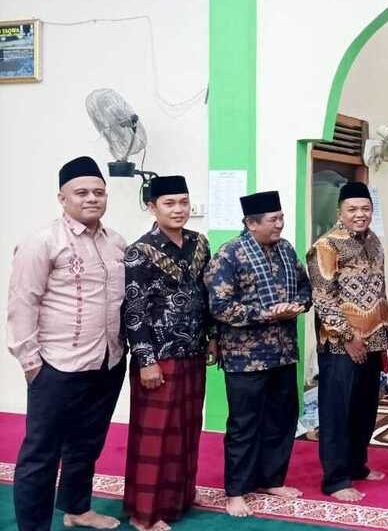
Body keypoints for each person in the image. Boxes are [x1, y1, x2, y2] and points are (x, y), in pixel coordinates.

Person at [8, 156, 127, 531]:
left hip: (108, 362)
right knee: (41, 454)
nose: (91, 198)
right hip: (56, 365)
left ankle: (77, 509)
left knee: (87, 444)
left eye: (98, 192)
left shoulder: (116, 242)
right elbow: (22, 304)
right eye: (82, 192)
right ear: (62, 198)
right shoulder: (42, 242)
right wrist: (31, 363)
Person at [204, 190, 312, 517]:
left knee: (282, 419)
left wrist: (297, 306)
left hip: (283, 353)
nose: (280, 224)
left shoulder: (286, 249)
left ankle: (271, 480)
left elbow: (305, 288)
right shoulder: (229, 255)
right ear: (251, 223)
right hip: (245, 359)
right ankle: (236, 491)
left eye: (281, 218)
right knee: (244, 425)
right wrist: (266, 314)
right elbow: (220, 307)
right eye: (273, 220)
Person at [122, 175, 216, 531]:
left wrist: (212, 337)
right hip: (159, 357)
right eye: (169, 203)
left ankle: (180, 498)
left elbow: (206, 296)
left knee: (187, 429)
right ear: (152, 207)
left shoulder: (199, 243)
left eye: (184, 202)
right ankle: (145, 513)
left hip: (193, 351)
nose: (179, 209)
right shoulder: (140, 251)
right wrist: (146, 361)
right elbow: (134, 312)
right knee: (155, 435)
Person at [307, 181, 388, 502]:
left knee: (364, 409)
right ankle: (336, 479)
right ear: (339, 212)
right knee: (337, 412)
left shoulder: (374, 241)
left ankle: (357, 464)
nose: (360, 214)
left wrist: (385, 331)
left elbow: (380, 290)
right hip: (340, 345)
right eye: (352, 209)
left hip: (373, 341)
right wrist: (348, 336)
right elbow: (323, 298)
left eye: (365, 209)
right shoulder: (326, 245)